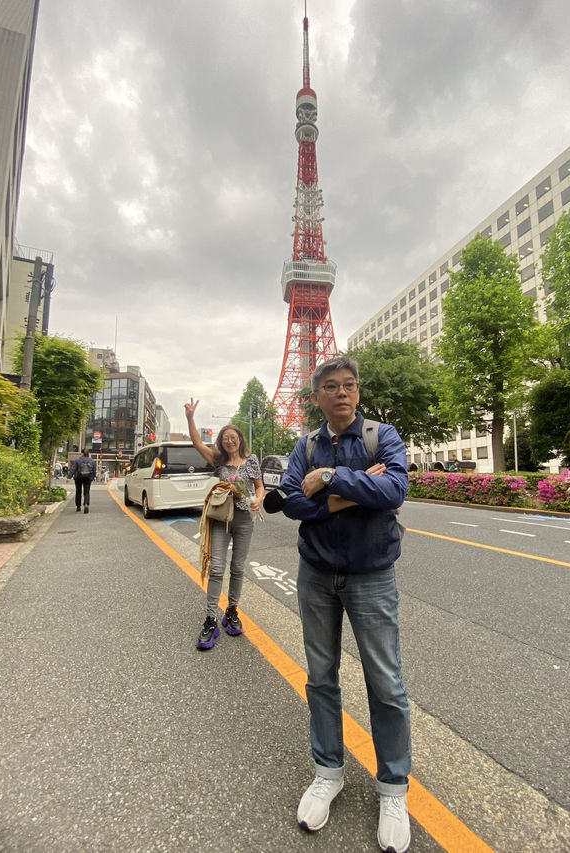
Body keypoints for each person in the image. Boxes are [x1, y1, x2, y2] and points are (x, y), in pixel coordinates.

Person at [281, 356, 412, 853]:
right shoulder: (305, 444)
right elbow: (291, 501)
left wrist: (331, 478)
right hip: (316, 572)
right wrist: (356, 492)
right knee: (320, 676)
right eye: (330, 386)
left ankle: (393, 790)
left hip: (371, 575)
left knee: (386, 682)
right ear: (316, 397)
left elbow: (396, 489)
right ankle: (328, 771)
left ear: (358, 393)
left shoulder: (384, 436)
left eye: (349, 385)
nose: (341, 393)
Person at [184, 398, 264, 651]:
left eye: (233, 437)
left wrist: (258, 501)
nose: (230, 440)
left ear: (240, 439)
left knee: (238, 568)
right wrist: (190, 417)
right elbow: (197, 443)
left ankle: (231, 611)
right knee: (217, 568)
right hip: (220, 518)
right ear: (222, 441)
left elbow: (260, 487)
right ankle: (210, 619)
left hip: (244, 520)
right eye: (226, 437)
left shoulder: (251, 461)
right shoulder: (218, 460)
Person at [68, 448, 96, 514]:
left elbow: (73, 469)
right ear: (88, 453)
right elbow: (94, 470)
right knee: (86, 492)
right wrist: (92, 477)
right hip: (88, 478)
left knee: (78, 491)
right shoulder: (92, 461)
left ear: (82, 453)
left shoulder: (78, 460)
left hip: (78, 477)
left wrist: (69, 477)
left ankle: (78, 506)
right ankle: (86, 504)